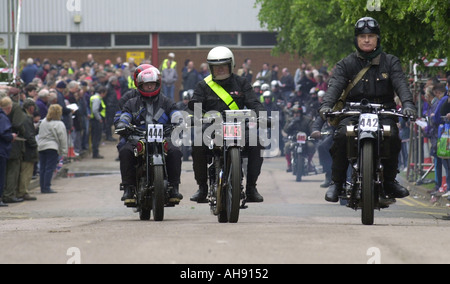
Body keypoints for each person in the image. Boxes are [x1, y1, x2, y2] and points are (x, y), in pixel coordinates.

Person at [318, 17, 417, 203]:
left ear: (377, 38)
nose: (366, 40)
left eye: (371, 36)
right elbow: (335, 86)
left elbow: (401, 85)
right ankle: (337, 183)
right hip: (353, 112)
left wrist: (408, 105)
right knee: (340, 136)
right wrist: (326, 105)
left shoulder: (391, 62)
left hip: (383, 112)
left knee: (393, 135)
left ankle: (389, 181)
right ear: (356, 39)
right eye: (362, 36)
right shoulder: (346, 64)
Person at [189, 46, 266, 203]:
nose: (220, 69)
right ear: (211, 68)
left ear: (231, 66)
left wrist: (262, 116)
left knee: (257, 143)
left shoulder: (242, 83)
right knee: (197, 143)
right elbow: (195, 105)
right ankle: (202, 188)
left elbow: (254, 103)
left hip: (238, 126)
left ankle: (251, 187)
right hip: (211, 128)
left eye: (224, 65)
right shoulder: (203, 86)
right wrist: (192, 117)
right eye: (216, 67)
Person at [116, 67, 184, 205]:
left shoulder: (166, 101)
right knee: (125, 151)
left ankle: (174, 188)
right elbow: (125, 115)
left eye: (152, 84)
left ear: (157, 84)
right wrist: (123, 123)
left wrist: (179, 121)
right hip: (138, 138)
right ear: (140, 85)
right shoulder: (131, 102)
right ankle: (128, 188)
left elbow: (175, 112)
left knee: (175, 151)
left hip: (163, 137)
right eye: (146, 84)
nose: (149, 86)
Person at [37, 104, 68, 194]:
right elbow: (62, 138)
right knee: (49, 167)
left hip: (41, 146)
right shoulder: (59, 124)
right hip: (52, 147)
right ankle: (47, 187)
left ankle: (42, 187)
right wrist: (63, 152)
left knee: (42, 167)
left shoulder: (43, 122)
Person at [18, 99, 38, 201]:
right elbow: (29, 134)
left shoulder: (22, 116)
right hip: (27, 149)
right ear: (31, 108)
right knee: (26, 171)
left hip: (23, 147)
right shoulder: (26, 118)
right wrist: (34, 145)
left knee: (24, 170)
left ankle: (22, 191)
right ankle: (23, 191)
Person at [0, 97, 16, 206]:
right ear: (9, 108)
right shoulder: (3, 117)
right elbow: (3, 133)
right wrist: (11, 136)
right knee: (1, 175)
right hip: (1, 150)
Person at [90, 86, 107, 159]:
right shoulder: (97, 99)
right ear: (102, 93)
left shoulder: (94, 97)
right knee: (96, 137)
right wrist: (99, 118)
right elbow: (95, 110)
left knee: (95, 137)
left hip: (94, 120)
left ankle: (95, 153)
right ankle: (95, 153)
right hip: (96, 121)